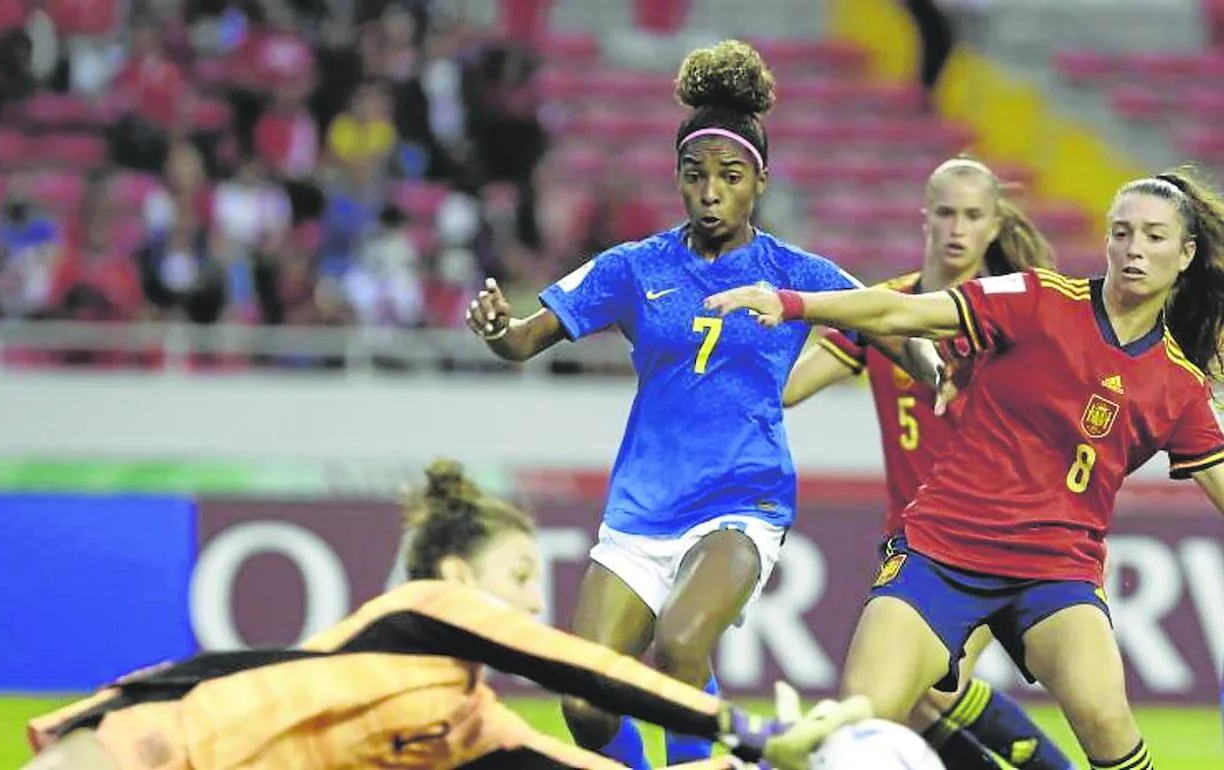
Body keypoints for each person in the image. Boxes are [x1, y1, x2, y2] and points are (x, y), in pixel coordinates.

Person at [704, 167, 1224, 770]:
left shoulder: (1179, 388)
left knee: (1110, 725)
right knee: (856, 726)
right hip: (942, 553)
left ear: (1186, 254)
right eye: (1121, 232)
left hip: (1056, 573)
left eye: (1154, 237)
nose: (1134, 249)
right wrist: (792, 303)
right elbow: (898, 312)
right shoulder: (1039, 299)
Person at [464, 39, 880, 768]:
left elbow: (886, 313)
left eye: (729, 176)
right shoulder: (634, 267)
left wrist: (937, 363)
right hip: (642, 508)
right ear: (678, 180)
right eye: (695, 176)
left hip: (741, 499)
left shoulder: (794, 271)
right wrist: (500, 330)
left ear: (760, 181)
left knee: (680, 644)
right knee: (583, 704)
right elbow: (525, 341)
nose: (710, 191)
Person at [22, 460, 868, 770]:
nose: (538, 601)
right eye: (522, 575)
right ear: (462, 572)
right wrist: (740, 729)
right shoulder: (421, 610)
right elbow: (587, 667)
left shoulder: (468, 723)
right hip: (135, 751)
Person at [782, 157, 1073, 770]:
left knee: (913, 697)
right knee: (911, 703)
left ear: (995, 227)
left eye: (973, 215)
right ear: (925, 219)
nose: (958, 228)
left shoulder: (1015, 314)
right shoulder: (885, 308)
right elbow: (787, 389)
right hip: (912, 541)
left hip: (993, 537)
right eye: (946, 213)